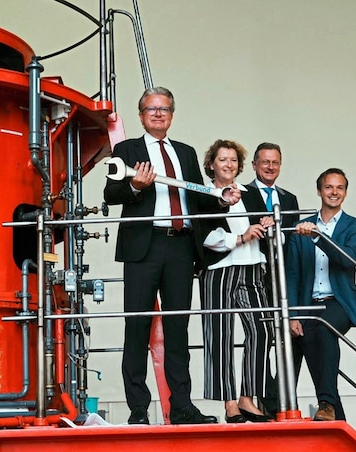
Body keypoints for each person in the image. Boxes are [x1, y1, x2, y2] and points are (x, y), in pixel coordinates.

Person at [104, 87, 239, 425]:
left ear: (172, 115)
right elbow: (111, 193)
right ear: (141, 115)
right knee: (137, 326)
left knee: (178, 328)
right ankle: (138, 408)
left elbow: (198, 198)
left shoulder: (186, 153)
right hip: (143, 246)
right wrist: (136, 186)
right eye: (151, 109)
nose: (158, 114)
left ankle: (182, 405)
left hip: (181, 246)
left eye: (164, 108)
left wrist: (222, 199)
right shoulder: (126, 149)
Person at [199, 139, 273, 423]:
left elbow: (261, 223)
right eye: (222, 160)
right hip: (220, 269)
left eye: (233, 160)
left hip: (253, 268)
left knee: (262, 331)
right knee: (220, 336)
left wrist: (265, 224)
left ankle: (247, 397)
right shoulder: (206, 194)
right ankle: (229, 403)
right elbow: (205, 236)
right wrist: (241, 238)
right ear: (212, 164)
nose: (228, 165)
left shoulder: (250, 193)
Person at [286, 168, 356, 421]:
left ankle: (327, 405)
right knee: (306, 344)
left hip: (339, 303)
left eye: (340, 188)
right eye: (329, 187)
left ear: (345, 192)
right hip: (308, 303)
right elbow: (292, 275)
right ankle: (330, 410)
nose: (334, 192)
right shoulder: (300, 228)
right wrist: (292, 315)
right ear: (319, 191)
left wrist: (318, 236)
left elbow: (347, 260)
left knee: (322, 330)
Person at [246, 141, 300, 417]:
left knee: (287, 338)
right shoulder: (243, 193)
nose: (270, 167)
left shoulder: (289, 199)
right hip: (255, 274)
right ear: (254, 165)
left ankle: (280, 396)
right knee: (260, 335)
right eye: (264, 162)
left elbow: (291, 242)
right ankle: (265, 396)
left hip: (282, 276)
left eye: (275, 162)